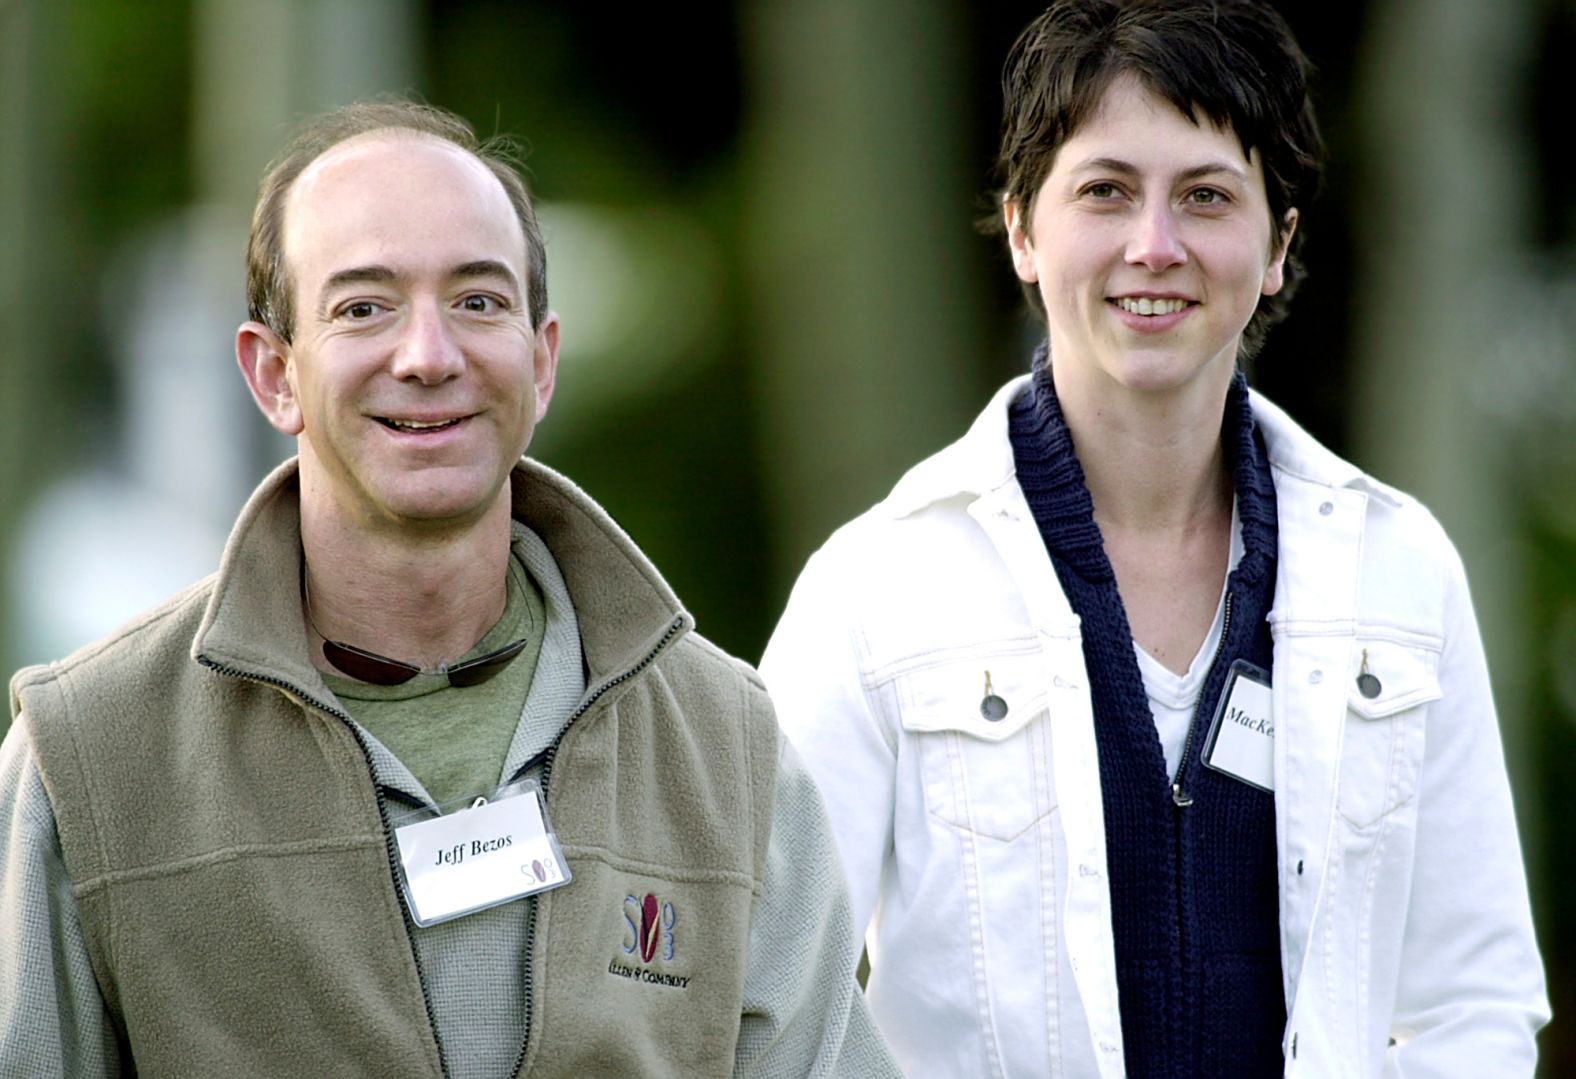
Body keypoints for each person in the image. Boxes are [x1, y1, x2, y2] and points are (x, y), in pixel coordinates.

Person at [0, 101, 900, 1079]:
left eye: (477, 301)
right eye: (362, 306)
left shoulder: (724, 747)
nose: (429, 354)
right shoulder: (85, 757)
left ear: (541, 358)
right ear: (273, 374)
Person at [760, 1, 1549, 1076]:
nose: (1154, 245)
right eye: (1104, 191)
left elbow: (1477, 1003)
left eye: (1206, 196)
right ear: (1025, 231)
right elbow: (762, 996)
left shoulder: (1398, 570)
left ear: (1276, 244)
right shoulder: (875, 585)